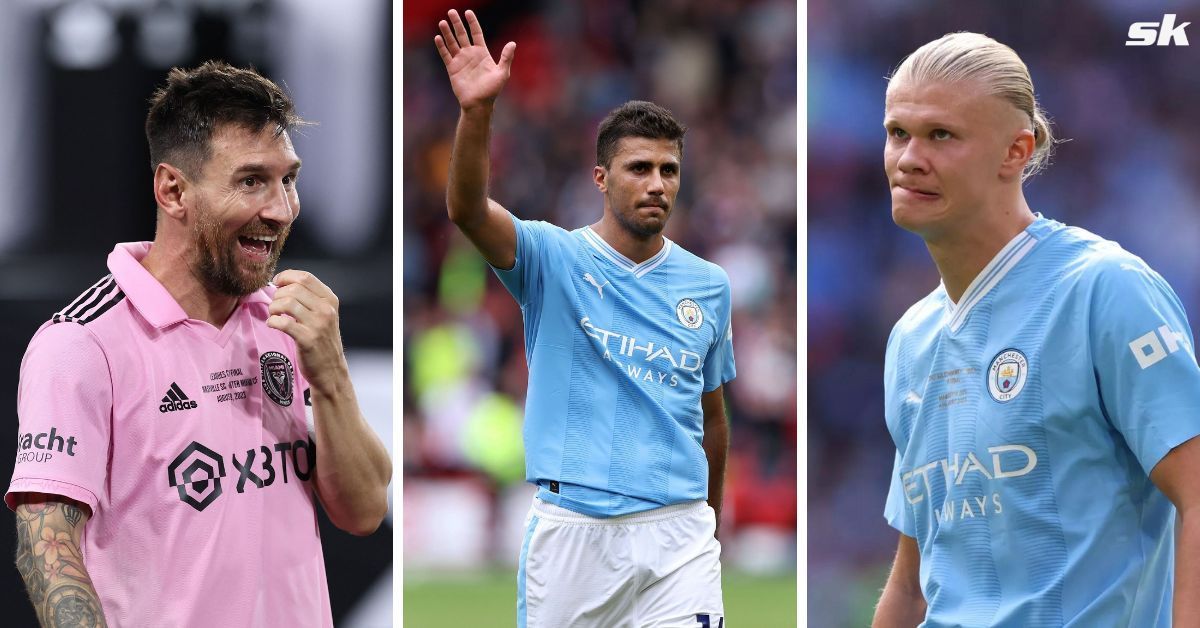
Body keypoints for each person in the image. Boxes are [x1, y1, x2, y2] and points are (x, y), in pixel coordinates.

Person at [6, 61, 392, 627]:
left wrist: (330, 373)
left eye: (288, 179)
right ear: (173, 190)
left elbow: (364, 512)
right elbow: (49, 553)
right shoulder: (81, 345)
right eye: (251, 181)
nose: (281, 210)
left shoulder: (288, 323)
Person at [872, 32, 1200, 627]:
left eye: (941, 135)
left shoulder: (1104, 290)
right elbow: (913, 584)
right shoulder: (910, 340)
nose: (909, 158)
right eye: (898, 133)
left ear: (1015, 152)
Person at [435, 9, 735, 627]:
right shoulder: (552, 257)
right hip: (574, 532)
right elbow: (466, 209)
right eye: (640, 168)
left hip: (679, 535)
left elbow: (713, 418)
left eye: (669, 170)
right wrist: (477, 112)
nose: (657, 184)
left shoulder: (710, 285)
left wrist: (710, 526)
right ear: (601, 178)